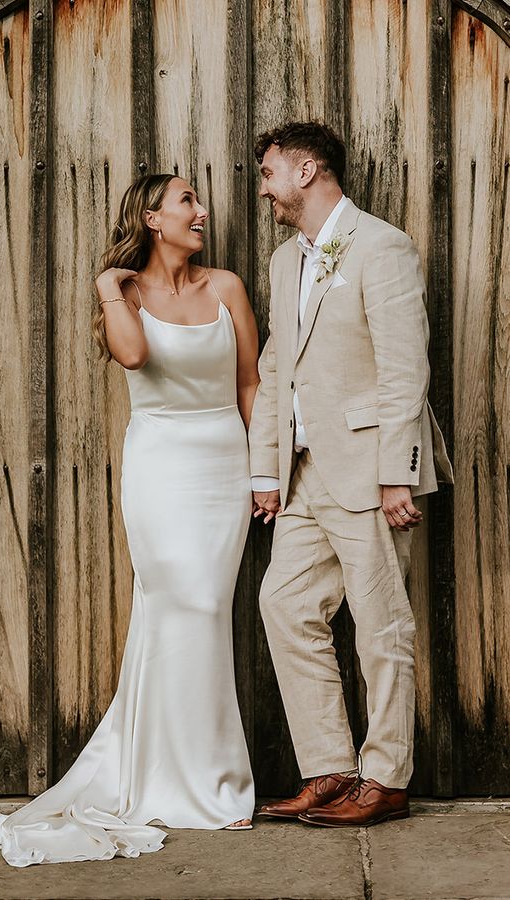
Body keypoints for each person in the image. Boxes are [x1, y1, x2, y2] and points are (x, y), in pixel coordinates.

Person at [0, 174, 259, 866]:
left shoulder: (227, 287)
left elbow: (249, 381)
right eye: (186, 200)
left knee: (206, 609)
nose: (201, 211)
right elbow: (133, 355)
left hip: (224, 466)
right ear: (152, 218)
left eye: (198, 200)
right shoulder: (125, 296)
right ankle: (195, 783)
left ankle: (201, 778)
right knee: (182, 603)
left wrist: (266, 470)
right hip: (160, 469)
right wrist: (106, 286)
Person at [249, 121, 453, 827]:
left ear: (306, 170)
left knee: (380, 624)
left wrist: (397, 472)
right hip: (304, 473)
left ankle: (386, 779)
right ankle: (330, 769)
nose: (265, 188)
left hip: (368, 469)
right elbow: (276, 369)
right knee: (285, 604)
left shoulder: (381, 246)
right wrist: (265, 470)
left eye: (270, 172)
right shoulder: (284, 261)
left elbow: (404, 368)